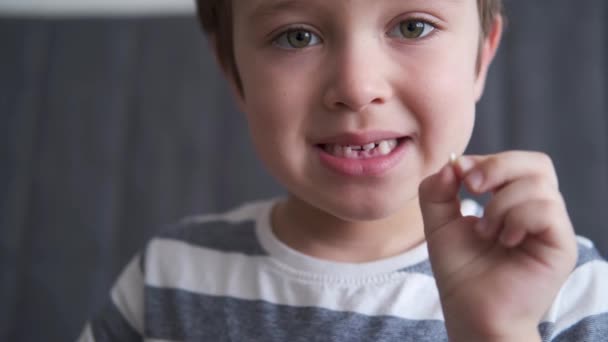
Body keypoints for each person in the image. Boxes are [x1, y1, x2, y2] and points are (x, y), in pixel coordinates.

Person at [78, 0, 608, 341]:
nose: (356, 87)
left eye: (413, 26)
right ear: (233, 71)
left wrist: (502, 330)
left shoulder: (561, 285)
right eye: (297, 37)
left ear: (480, 59)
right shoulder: (167, 278)